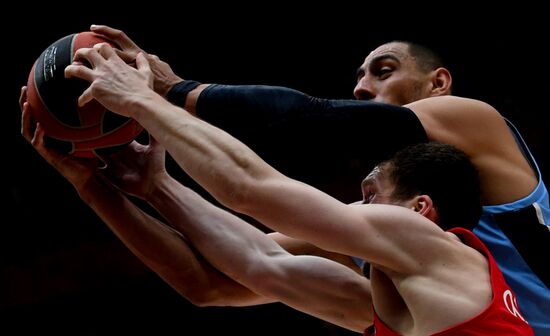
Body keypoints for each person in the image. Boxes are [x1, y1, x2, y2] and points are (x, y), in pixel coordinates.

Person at [85, 25, 550, 335]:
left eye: (383, 71)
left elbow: (309, 125)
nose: (362, 88)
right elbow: (217, 280)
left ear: (439, 83)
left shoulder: (473, 123)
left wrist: (166, 92)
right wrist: (126, 186)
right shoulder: (388, 249)